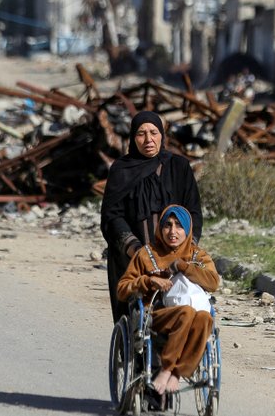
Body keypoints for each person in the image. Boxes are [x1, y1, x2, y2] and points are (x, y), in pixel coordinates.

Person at [100, 110, 203, 323]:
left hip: (174, 255)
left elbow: (193, 211)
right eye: (141, 133)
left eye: (154, 132)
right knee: (135, 318)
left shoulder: (178, 167)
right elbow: (112, 216)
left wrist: (184, 249)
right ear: (132, 138)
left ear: (162, 135)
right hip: (132, 258)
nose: (148, 139)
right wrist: (139, 251)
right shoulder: (121, 170)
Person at [117, 204, 219, 395]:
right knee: (186, 312)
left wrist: (183, 266)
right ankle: (166, 368)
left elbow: (213, 283)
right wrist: (148, 280)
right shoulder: (146, 255)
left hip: (192, 316)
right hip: (156, 315)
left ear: (188, 229)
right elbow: (123, 288)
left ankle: (176, 373)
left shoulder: (198, 256)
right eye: (168, 225)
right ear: (160, 228)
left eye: (179, 226)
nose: (173, 232)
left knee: (205, 318)